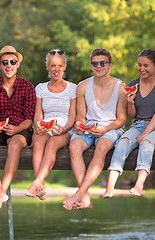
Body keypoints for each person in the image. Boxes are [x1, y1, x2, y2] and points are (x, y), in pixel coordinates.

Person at [63, 48, 127, 210]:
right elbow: (81, 116)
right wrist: (79, 126)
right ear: (91, 66)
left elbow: (121, 119)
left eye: (103, 63)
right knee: (74, 146)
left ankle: (79, 194)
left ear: (110, 65)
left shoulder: (120, 87)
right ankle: (85, 199)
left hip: (111, 129)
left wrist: (105, 130)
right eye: (95, 63)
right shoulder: (83, 86)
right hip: (88, 129)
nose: (99, 66)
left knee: (102, 146)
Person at [103, 49, 155, 198]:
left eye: (146, 65)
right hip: (138, 124)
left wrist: (145, 133)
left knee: (146, 142)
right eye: (139, 65)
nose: (142, 69)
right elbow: (133, 115)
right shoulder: (134, 83)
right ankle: (110, 186)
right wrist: (130, 103)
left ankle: (139, 185)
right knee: (123, 142)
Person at [0, 45, 35, 208]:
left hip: (20, 128)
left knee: (15, 145)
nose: (9, 65)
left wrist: (17, 129)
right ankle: (0, 191)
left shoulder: (28, 87)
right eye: (5, 62)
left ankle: (2, 190)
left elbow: (29, 119)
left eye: (13, 62)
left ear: (18, 65)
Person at [25, 49, 76, 200]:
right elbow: (38, 113)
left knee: (53, 143)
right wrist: (39, 126)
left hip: (65, 129)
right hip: (45, 126)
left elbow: (72, 117)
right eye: (53, 66)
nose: (56, 69)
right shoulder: (40, 88)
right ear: (47, 67)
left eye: (60, 66)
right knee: (37, 141)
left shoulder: (72, 88)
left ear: (64, 67)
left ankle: (36, 183)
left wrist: (64, 129)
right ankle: (41, 188)